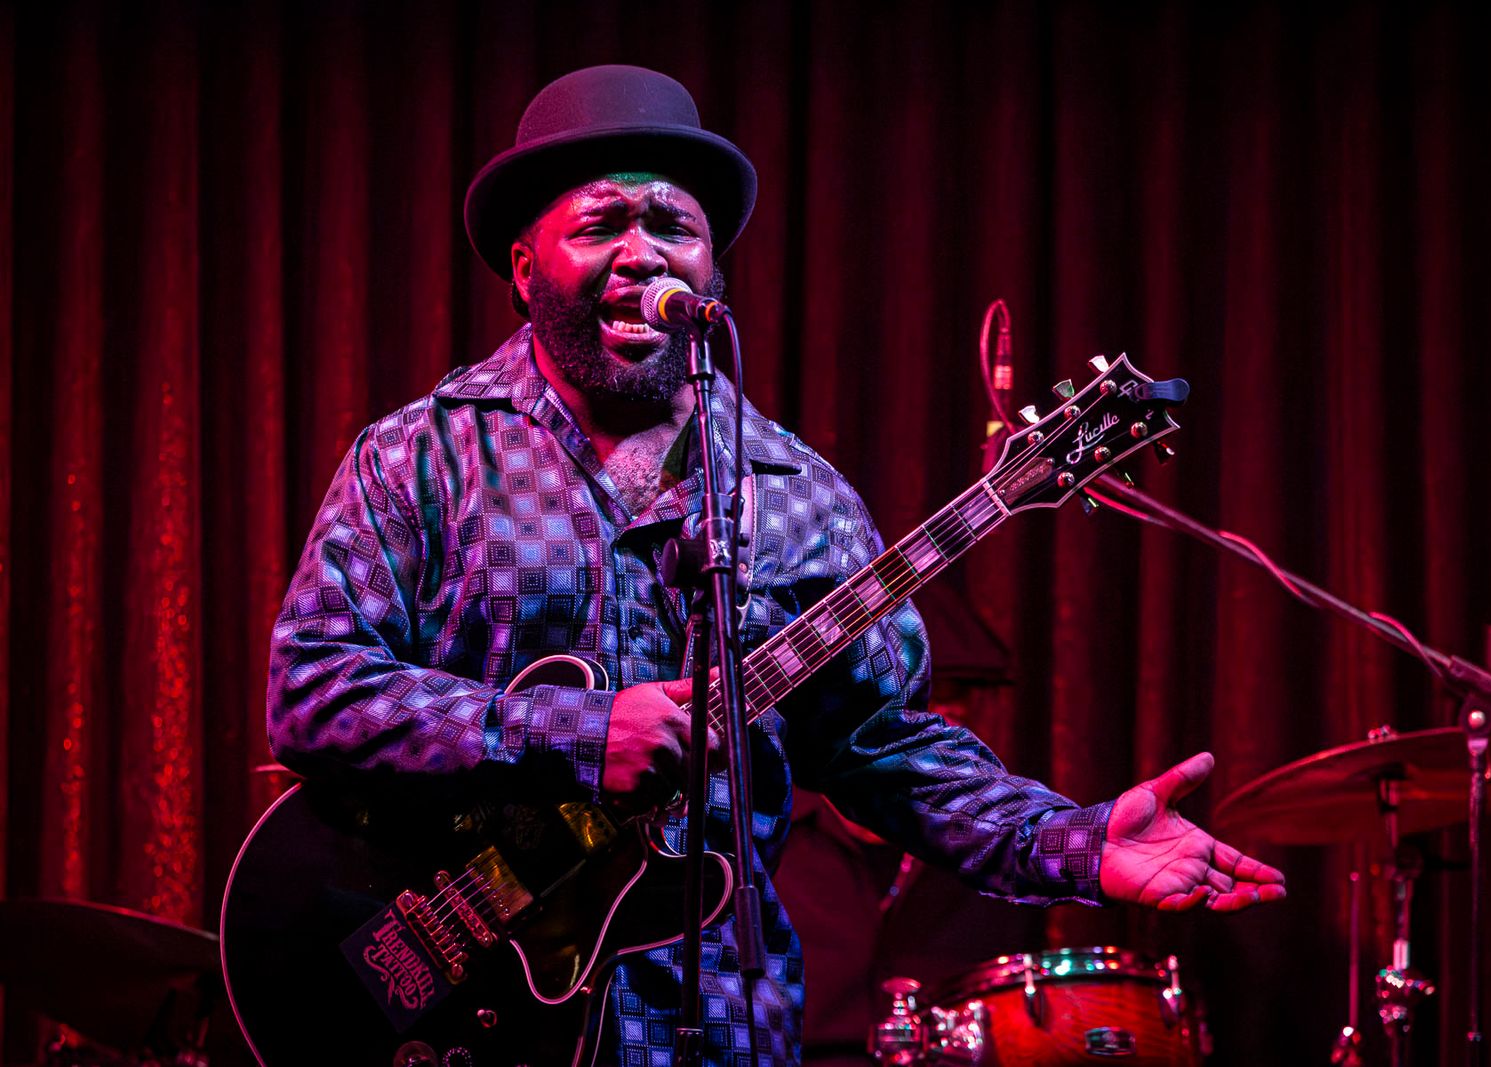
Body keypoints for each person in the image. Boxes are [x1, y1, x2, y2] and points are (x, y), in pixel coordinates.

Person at [267, 64, 1285, 1065]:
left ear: (710, 268)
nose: (641, 252)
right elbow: (312, 686)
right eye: (601, 223)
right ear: (527, 268)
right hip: (470, 1001)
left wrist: (1077, 843)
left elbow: (890, 750)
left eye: (673, 225)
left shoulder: (798, 494)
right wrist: (575, 732)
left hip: (719, 1011)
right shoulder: (422, 456)